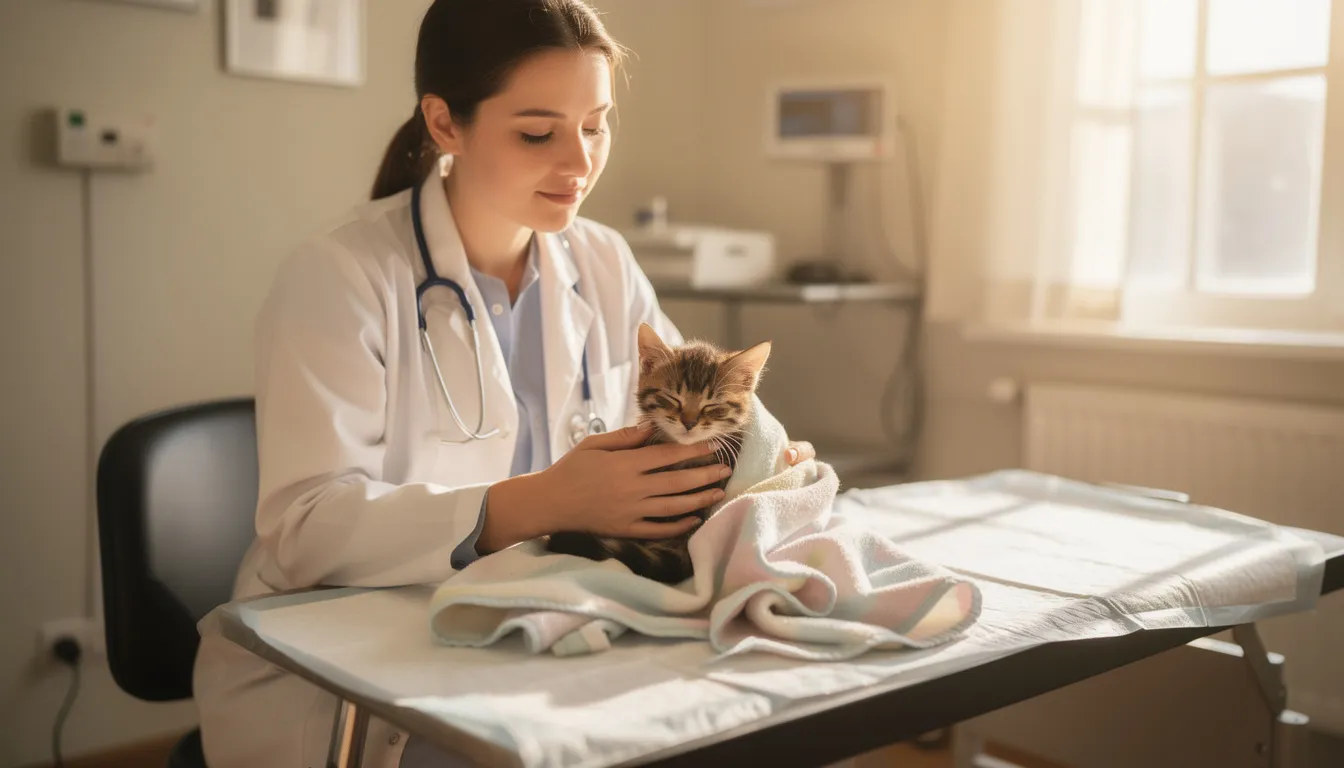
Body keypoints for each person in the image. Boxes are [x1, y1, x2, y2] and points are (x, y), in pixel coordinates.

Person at [192, 1, 814, 766]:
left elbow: (717, 400)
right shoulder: (343, 276)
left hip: (542, 624)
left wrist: (767, 458)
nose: (581, 162)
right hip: (348, 673)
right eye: (537, 132)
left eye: (596, 124)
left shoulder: (604, 262)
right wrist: (549, 500)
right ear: (445, 124)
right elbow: (302, 534)